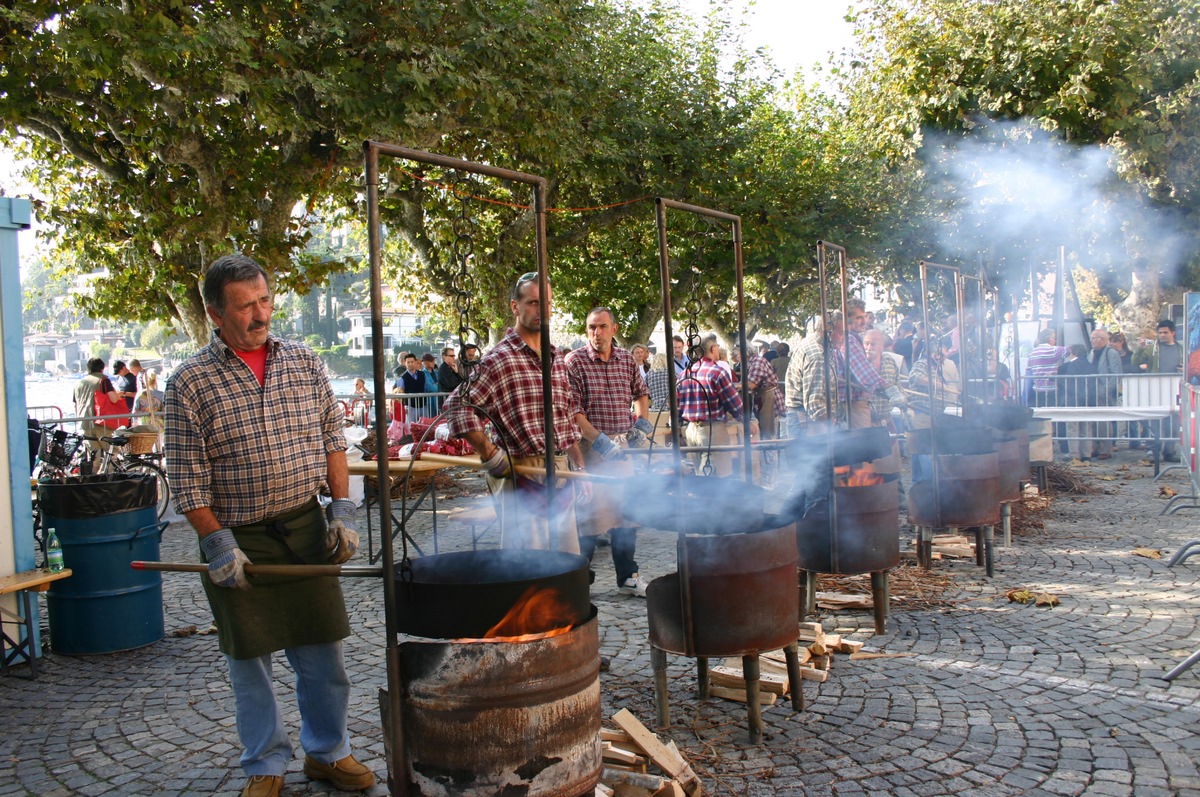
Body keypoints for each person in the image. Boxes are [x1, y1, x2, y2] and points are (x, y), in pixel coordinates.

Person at [165, 254, 372, 797]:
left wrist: (342, 509)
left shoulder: (303, 362)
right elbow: (187, 478)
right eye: (245, 306)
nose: (260, 314)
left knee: (323, 651)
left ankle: (329, 752)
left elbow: (333, 441)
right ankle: (265, 763)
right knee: (249, 660)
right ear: (214, 313)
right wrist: (215, 541)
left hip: (305, 527)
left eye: (264, 300)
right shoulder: (189, 381)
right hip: (240, 535)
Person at [442, 272, 588, 552]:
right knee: (530, 566)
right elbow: (457, 407)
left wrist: (578, 465)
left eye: (546, 303)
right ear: (514, 307)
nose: (541, 310)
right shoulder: (499, 360)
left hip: (560, 471)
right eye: (533, 302)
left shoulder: (556, 357)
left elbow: (567, 418)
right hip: (522, 470)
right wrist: (490, 454)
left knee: (568, 561)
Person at [566, 307, 653, 597]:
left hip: (622, 446)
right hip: (588, 449)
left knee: (625, 514)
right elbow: (573, 410)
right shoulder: (574, 361)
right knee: (591, 516)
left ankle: (627, 576)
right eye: (591, 327)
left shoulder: (626, 359)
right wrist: (599, 441)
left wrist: (641, 426)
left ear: (613, 329)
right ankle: (577, 581)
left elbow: (641, 393)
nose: (596, 333)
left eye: (602, 326)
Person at [677, 334, 746, 478]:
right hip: (712, 431)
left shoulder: (685, 374)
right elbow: (734, 403)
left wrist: (678, 428)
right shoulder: (717, 372)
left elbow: (677, 406)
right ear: (713, 348)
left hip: (691, 430)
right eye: (718, 347)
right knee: (718, 476)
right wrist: (746, 419)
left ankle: (702, 500)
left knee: (700, 475)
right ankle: (717, 501)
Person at [841, 298, 907, 429]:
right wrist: (890, 389)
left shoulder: (855, 339)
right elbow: (864, 374)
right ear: (847, 319)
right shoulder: (847, 340)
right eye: (859, 317)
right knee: (864, 446)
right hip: (854, 404)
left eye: (864, 317)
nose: (863, 321)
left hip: (864, 406)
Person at [1137, 318, 1184, 460]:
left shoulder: (1181, 348)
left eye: (1165, 332)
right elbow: (1136, 362)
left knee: (1173, 424)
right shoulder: (1152, 348)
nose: (1162, 335)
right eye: (1160, 333)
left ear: (1173, 333)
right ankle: (1153, 450)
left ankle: (1169, 451)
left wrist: (1183, 370)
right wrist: (1140, 350)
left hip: (1175, 390)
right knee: (1154, 421)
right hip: (1156, 389)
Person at [1087, 330, 1122, 460]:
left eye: (1093, 338)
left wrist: (1106, 390)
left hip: (1104, 392)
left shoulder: (1111, 353)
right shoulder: (1091, 353)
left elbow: (1115, 374)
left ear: (1101, 339)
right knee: (1094, 420)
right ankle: (1095, 446)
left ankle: (1106, 448)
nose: (1091, 341)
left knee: (1105, 421)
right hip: (1092, 390)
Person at [1057, 344, 1095, 462]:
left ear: (1074, 353)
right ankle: (1086, 454)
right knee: (1086, 427)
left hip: (1073, 399)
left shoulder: (1072, 365)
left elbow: (1068, 382)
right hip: (1087, 399)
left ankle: (1074, 454)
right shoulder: (1089, 365)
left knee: (1072, 427)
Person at [73, 358, 106, 447]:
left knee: (93, 453)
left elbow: (75, 404)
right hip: (100, 422)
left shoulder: (79, 383)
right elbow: (113, 398)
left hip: (83, 421)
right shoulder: (103, 380)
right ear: (102, 368)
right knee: (110, 451)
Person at [130, 369, 166, 449]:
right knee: (158, 448)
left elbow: (135, 412)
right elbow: (164, 411)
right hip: (158, 425)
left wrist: (134, 423)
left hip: (143, 424)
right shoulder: (161, 394)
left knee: (146, 449)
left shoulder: (140, 395)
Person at [395, 352, 427, 421]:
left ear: (415, 362)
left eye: (412, 362)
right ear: (405, 363)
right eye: (408, 362)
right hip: (410, 407)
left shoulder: (422, 374)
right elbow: (400, 394)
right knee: (411, 428)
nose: (410, 364)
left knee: (425, 426)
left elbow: (425, 387)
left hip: (423, 405)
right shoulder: (402, 378)